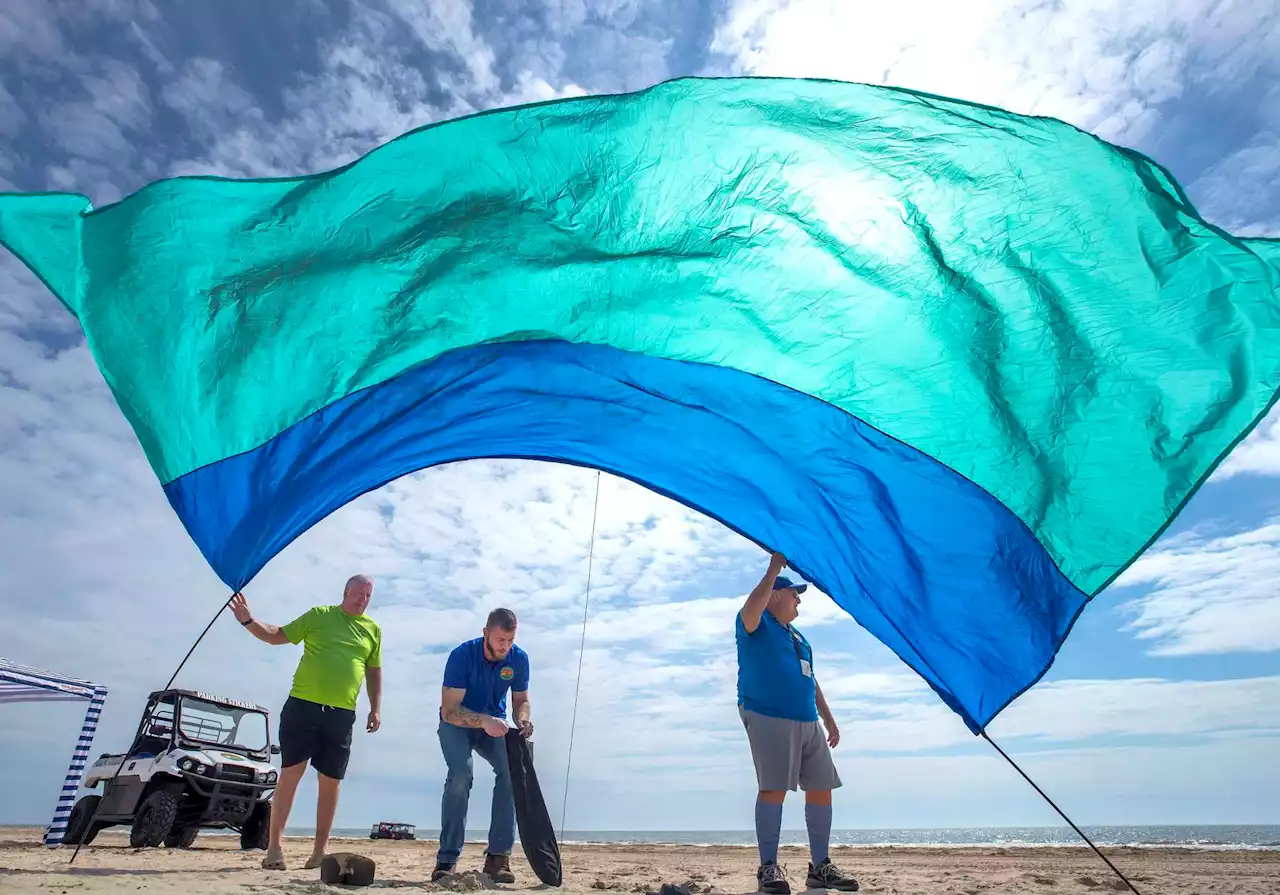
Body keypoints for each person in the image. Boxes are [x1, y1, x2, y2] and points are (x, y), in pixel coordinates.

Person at [229, 574, 383, 871]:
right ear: (345, 592)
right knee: (291, 773)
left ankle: (319, 853)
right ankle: (274, 848)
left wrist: (375, 708)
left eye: (368, 595)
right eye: (358, 593)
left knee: (331, 781)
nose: (363, 599)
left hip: (341, 715)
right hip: (303, 707)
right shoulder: (319, 616)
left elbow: (374, 672)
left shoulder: (373, 630)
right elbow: (277, 634)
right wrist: (248, 621)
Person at [736, 553, 859, 894]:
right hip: (768, 713)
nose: (799, 598)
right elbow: (751, 611)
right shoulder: (755, 622)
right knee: (774, 787)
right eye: (793, 593)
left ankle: (820, 867)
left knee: (821, 787)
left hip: (808, 721)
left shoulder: (800, 638)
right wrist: (774, 569)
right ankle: (768, 868)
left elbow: (812, 680)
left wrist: (829, 719)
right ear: (775, 595)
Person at [432, 608, 532, 884]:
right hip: (457, 724)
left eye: (510, 640)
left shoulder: (519, 659)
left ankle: (498, 858)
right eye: (500, 640)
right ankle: (447, 860)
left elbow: (520, 700)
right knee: (461, 775)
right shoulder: (461, 656)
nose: (505, 647)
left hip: (494, 726)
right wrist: (484, 720)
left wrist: (523, 720)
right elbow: (449, 711)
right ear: (485, 633)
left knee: (511, 772)